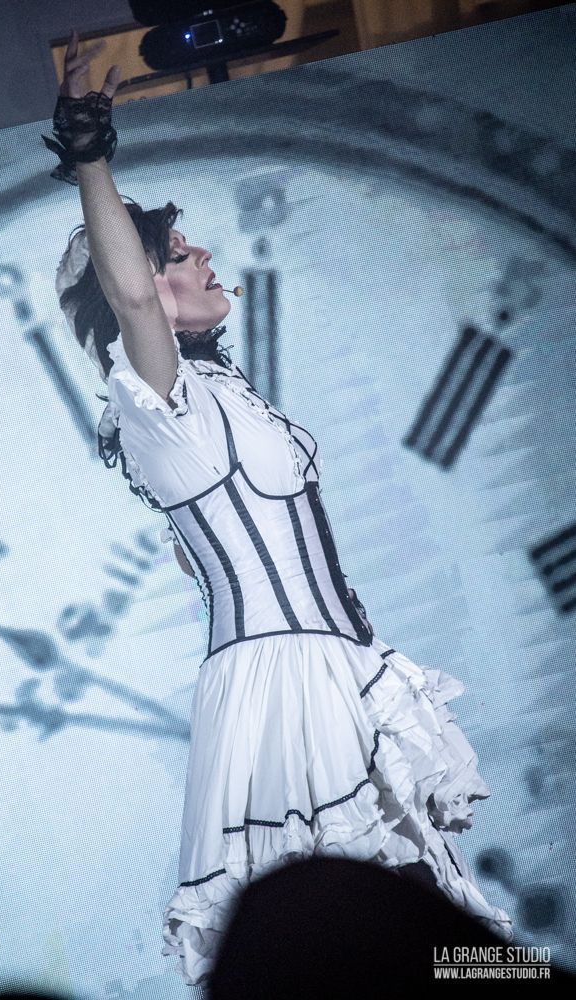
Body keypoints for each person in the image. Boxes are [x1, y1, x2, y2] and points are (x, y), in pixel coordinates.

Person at [42, 29, 513, 991]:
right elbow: (132, 300)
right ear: (141, 287)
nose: (205, 256)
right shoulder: (158, 399)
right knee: (363, 930)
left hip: (335, 667)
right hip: (282, 683)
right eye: (179, 253)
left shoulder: (215, 395)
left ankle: (521, 977)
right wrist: (90, 155)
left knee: (429, 914)